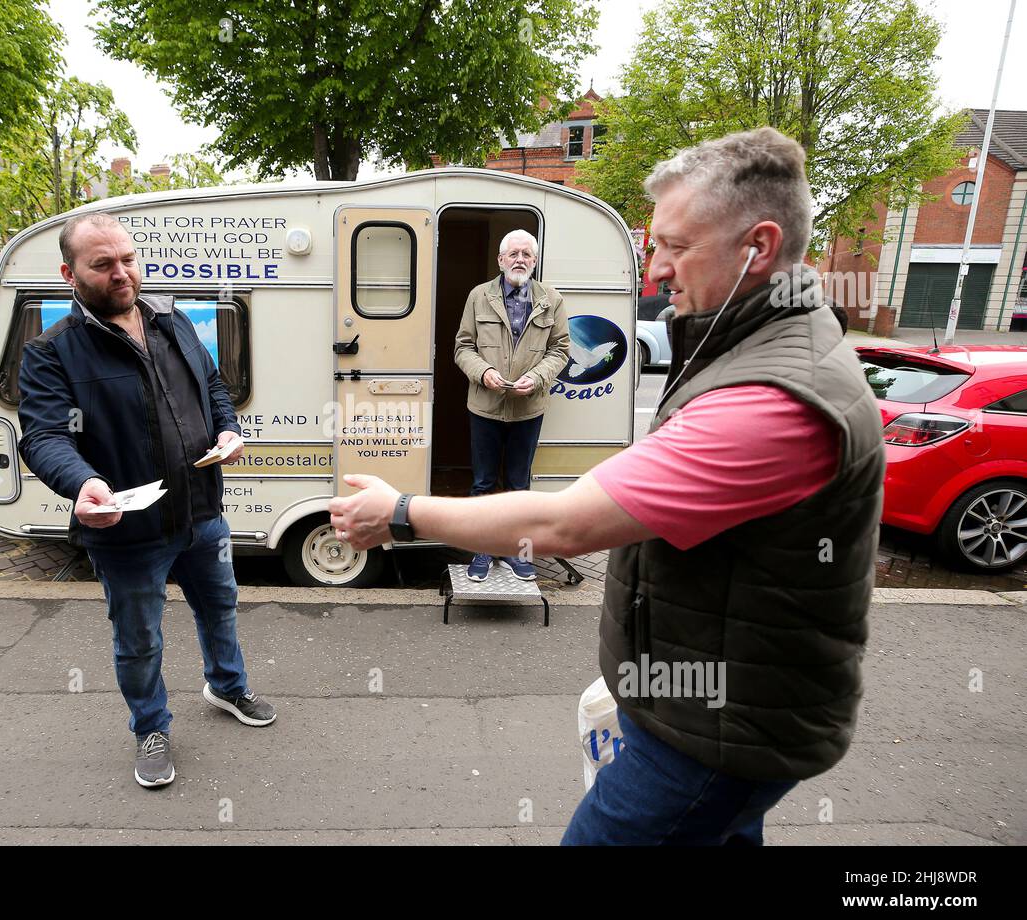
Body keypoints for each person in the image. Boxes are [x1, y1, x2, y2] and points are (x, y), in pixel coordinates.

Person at [329, 128, 885, 845]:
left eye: (675, 246)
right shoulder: (747, 342)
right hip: (706, 705)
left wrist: (400, 510)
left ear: (760, 246)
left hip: (715, 730)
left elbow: (565, 526)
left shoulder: (776, 399)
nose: (654, 270)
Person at [17, 212, 276, 790]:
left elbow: (212, 387)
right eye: (102, 264)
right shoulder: (52, 351)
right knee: (139, 638)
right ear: (70, 273)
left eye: (128, 259)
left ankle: (227, 686)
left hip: (201, 513)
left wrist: (229, 431)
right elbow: (43, 436)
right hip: (127, 529)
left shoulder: (172, 319)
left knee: (220, 609)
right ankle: (150, 727)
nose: (121, 273)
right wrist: (81, 482)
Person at [453, 229, 570, 582]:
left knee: (520, 485)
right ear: (501, 260)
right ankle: (482, 550)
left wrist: (536, 378)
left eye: (527, 254)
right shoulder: (479, 296)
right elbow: (462, 347)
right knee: (483, 484)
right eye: (513, 253)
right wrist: (483, 371)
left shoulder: (551, 299)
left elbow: (561, 349)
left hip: (528, 409)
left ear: (534, 261)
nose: (520, 259)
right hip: (485, 408)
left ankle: (520, 554)